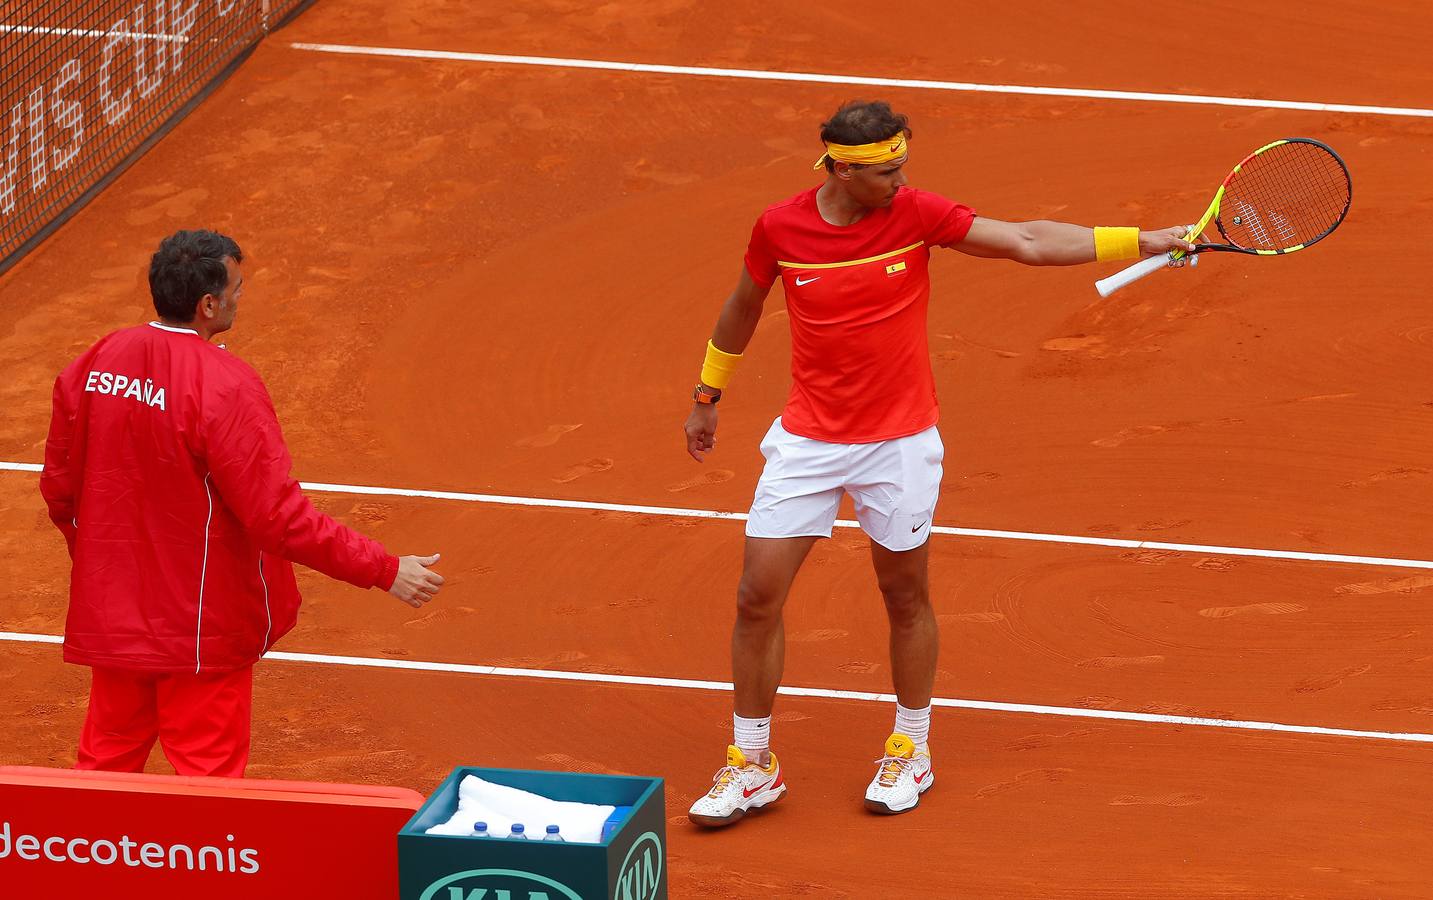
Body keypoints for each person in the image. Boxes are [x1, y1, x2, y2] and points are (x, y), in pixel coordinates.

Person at [683, 101, 1194, 825]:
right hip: (808, 441)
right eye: (886, 172)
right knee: (754, 597)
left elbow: (1025, 240)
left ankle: (909, 748)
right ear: (841, 169)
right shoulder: (780, 227)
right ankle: (751, 765)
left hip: (898, 445)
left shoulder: (916, 213)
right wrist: (708, 392)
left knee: (902, 597)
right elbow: (742, 305)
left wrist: (1142, 241)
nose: (899, 182)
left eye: (902, 168)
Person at [39, 229, 445, 778]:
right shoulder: (226, 386)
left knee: (103, 772)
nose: (240, 296)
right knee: (209, 790)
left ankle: (88, 866)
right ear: (208, 304)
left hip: (116, 617)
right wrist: (384, 569)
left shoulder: (96, 361)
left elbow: (61, 491)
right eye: (236, 287)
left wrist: (106, 570)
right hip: (200, 630)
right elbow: (277, 517)